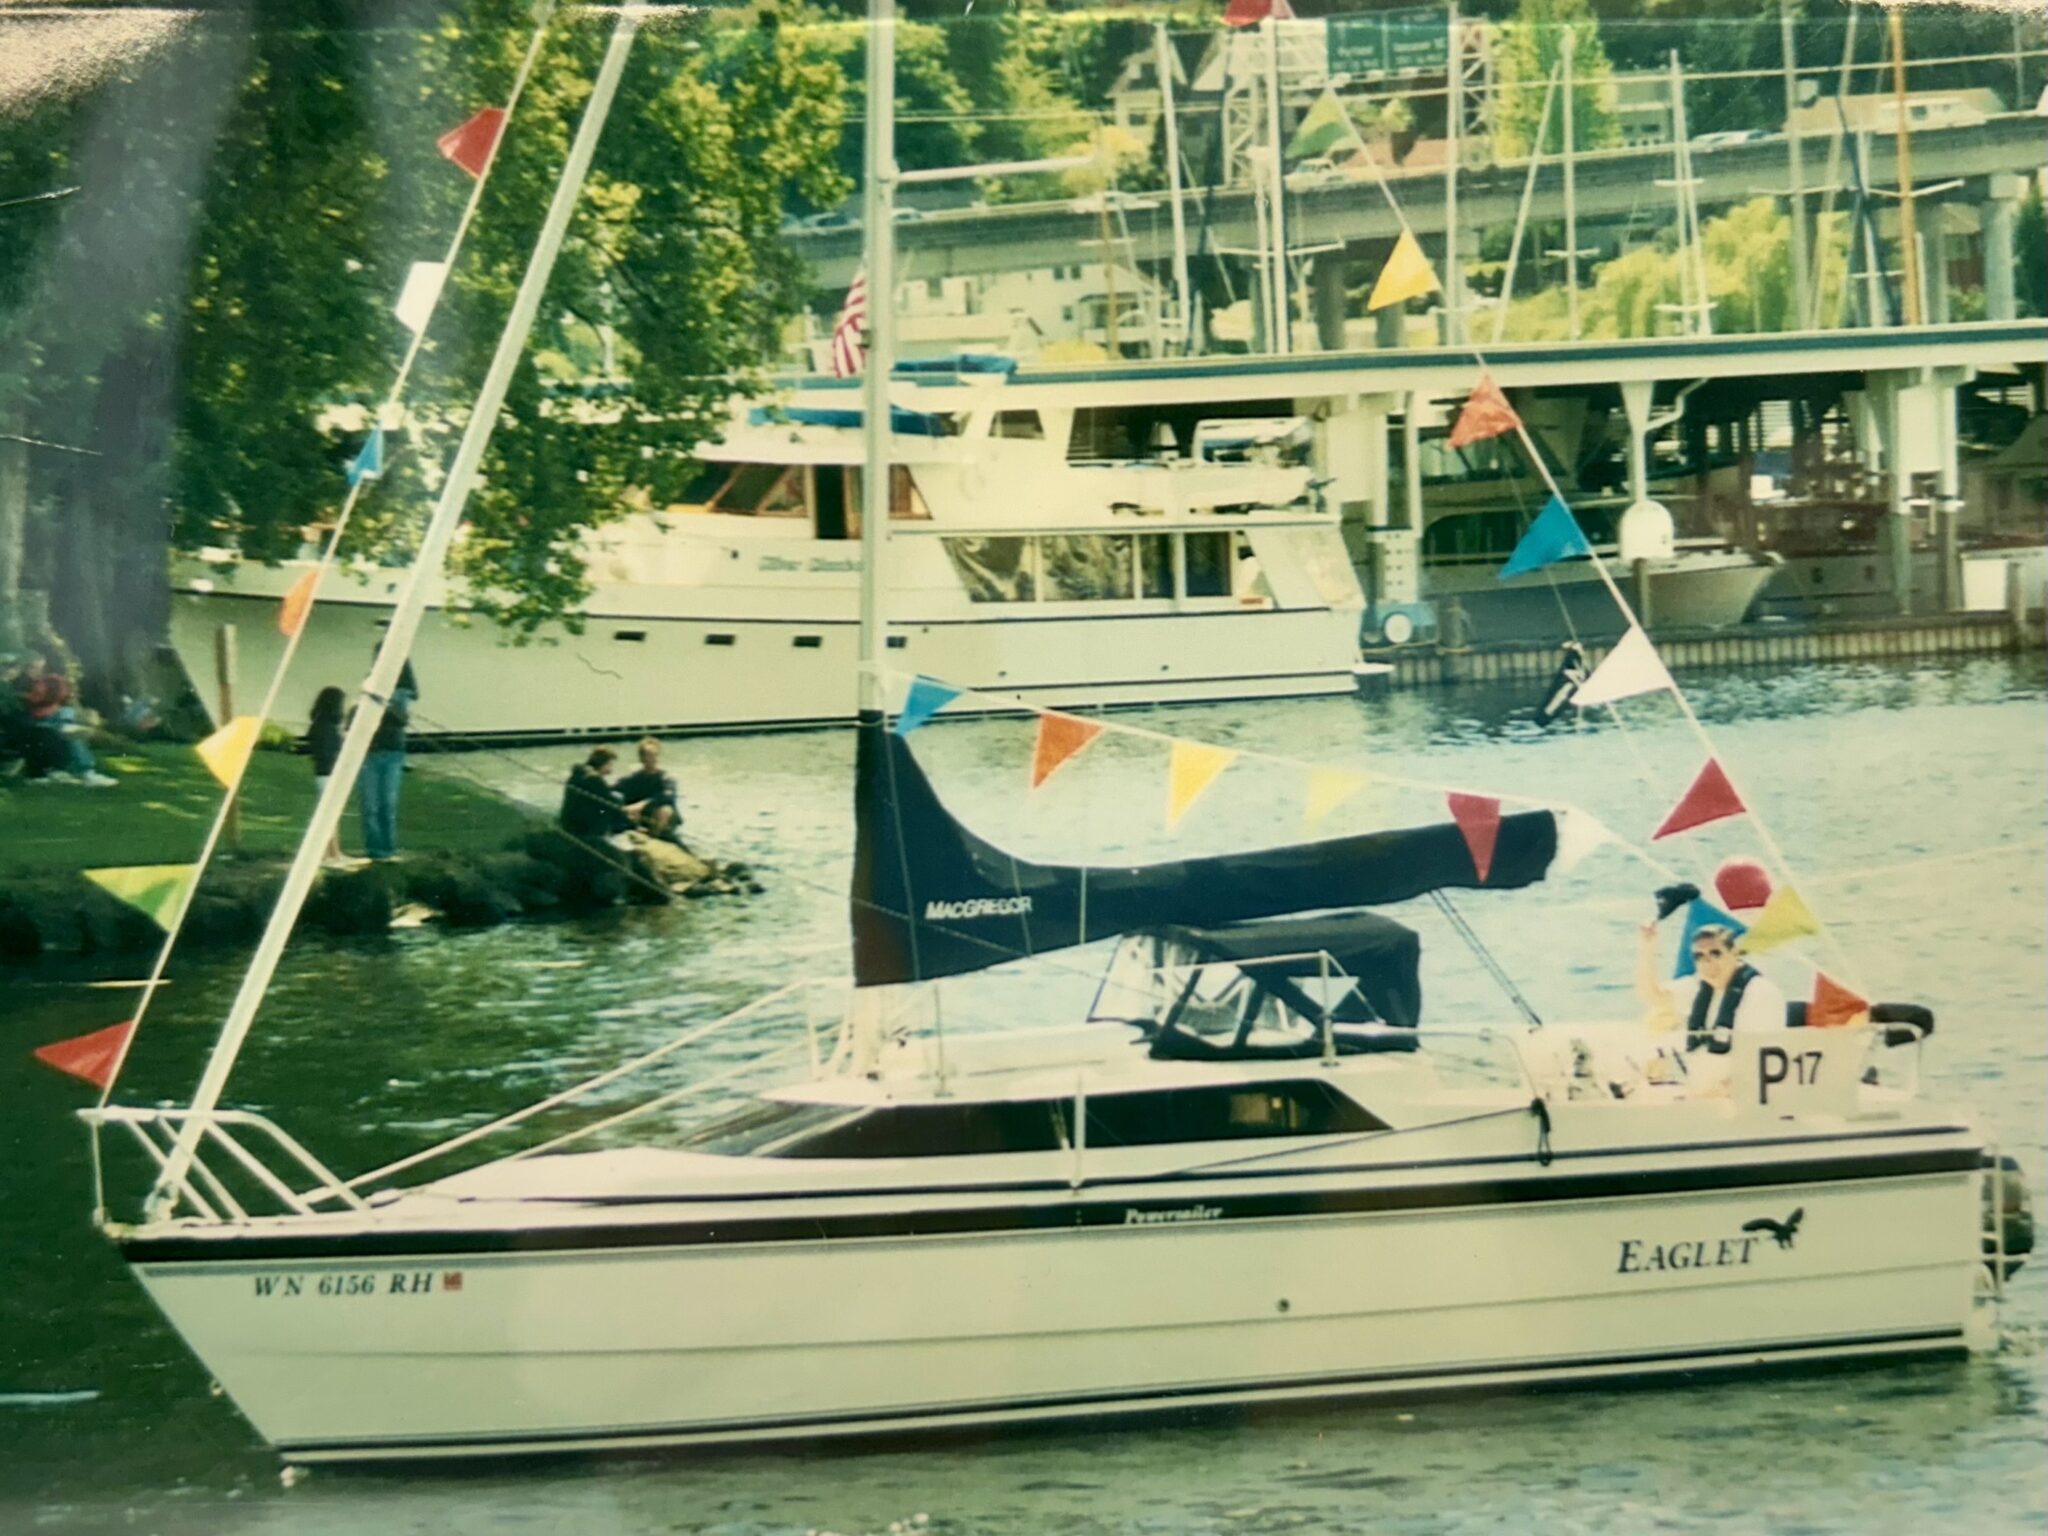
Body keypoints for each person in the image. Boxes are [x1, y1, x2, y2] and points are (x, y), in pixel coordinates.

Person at [1637, 919, 1787, 1056]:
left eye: (1715, 953)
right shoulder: (1697, 986)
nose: (1707, 961)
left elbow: (1761, 1053)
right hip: (1703, 1071)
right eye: (1699, 956)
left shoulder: (1761, 992)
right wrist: (1647, 947)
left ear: (1734, 953)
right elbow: (1653, 996)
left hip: (1744, 1073)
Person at [12, 652, 115, 787]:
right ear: (24, 667)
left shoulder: (44, 681)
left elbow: (57, 697)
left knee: (67, 716)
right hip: (33, 722)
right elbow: (26, 702)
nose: (37, 671)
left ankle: (85, 769)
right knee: (69, 727)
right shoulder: (19, 682)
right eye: (33, 667)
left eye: (40, 667)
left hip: (48, 719)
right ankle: (87, 772)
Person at [358, 658, 417, 863]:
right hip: (370, 752)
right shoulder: (370, 685)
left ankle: (388, 849)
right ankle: (374, 849)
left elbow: (402, 719)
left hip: (393, 752)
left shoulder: (401, 693)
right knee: (370, 805)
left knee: (388, 804)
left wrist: (385, 702)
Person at [305, 686, 362, 869]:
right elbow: (327, 752)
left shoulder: (319, 725)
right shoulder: (326, 728)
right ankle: (330, 854)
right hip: (328, 774)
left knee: (331, 815)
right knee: (330, 816)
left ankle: (333, 852)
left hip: (324, 773)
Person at [612, 736, 684, 845]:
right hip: (642, 818)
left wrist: (642, 805)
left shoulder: (666, 778)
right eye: (649, 755)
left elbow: (667, 796)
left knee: (664, 810)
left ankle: (655, 839)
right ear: (641, 758)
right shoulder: (633, 778)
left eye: (655, 755)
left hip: (664, 820)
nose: (653, 759)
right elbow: (613, 789)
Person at [560, 746, 630, 842]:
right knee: (618, 798)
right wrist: (630, 819)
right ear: (603, 763)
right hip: (583, 828)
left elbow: (602, 793)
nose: (611, 769)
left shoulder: (578, 774)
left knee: (613, 798)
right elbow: (612, 803)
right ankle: (620, 832)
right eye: (610, 764)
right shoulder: (594, 778)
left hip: (569, 823)